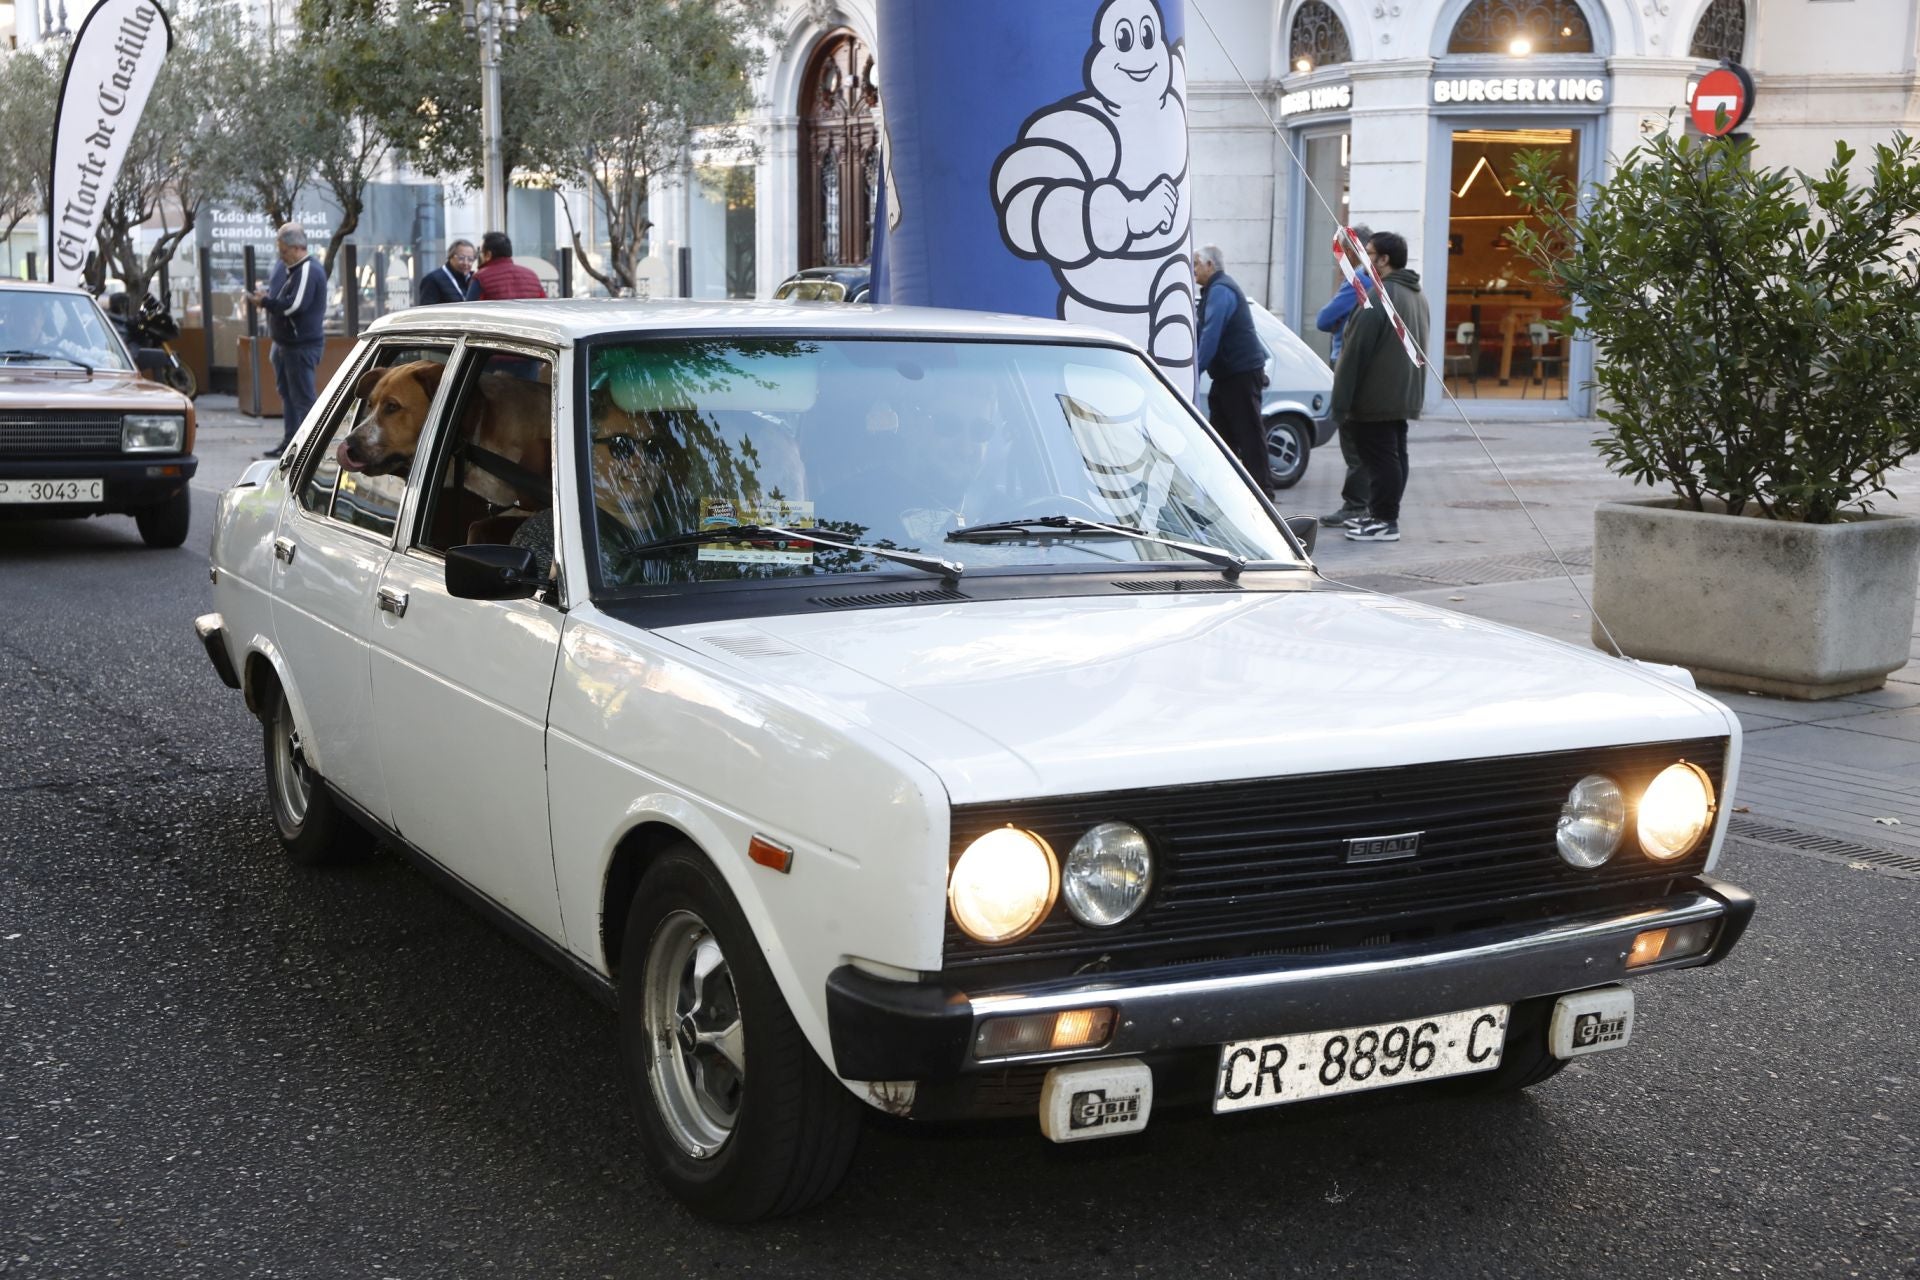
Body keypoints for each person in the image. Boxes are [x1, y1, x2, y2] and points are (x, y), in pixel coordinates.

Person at [1329, 231, 1430, 544]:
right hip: (1400, 392)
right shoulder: (1415, 293)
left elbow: (1354, 352)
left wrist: (1341, 403)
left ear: (1384, 260)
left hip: (1376, 396)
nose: (1363, 259)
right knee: (1394, 455)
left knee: (1381, 459)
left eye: (1369, 253)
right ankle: (1381, 515)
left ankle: (1384, 520)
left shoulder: (1381, 296)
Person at [1191, 244, 1274, 495]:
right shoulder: (1212, 291)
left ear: (1210, 265)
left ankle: (1263, 491)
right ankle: (1225, 491)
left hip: (1240, 372)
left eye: (1196, 263)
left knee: (1249, 431)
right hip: (1228, 374)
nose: (1193, 269)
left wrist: (1195, 371)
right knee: (1221, 432)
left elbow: (1210, 335)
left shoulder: (1220, 290)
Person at [1314, 222, 1373, 528]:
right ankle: (1367, 503)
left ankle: (1355, 505)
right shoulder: (1377, 281)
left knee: (1351, 434)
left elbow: (1324, 320)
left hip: (1346, 362)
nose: (1339, 257)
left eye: (1343, 250)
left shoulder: (1357, 281)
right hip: (1364, 366)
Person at [251, 223, 329, 455]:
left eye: (284, 251)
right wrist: (267, 298)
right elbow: (282, 297)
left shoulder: (309, 270)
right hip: (284, 344)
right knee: (287, 394)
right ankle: (290, 443)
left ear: (297, 248)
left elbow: (295, 306)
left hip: (301, 346)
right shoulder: (288, 268)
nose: (281, 256)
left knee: (303, 398)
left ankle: (311, 449)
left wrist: (265, 302)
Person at [473, 231, 546, 301]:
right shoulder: (532, 276)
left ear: (488, 254)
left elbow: (469, 308)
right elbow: (543, 305)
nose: (480, 256)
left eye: (481, 252)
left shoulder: (481, 277)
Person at [416, 240, 480, 305]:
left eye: (470, 259)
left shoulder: (474, 279)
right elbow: (427, 309)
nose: (466, 263)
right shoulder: (432, 280)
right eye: (461, 258)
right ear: (450, 257)